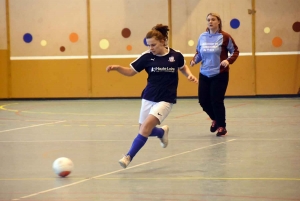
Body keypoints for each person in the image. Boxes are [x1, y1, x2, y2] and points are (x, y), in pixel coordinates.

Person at [106, 24, 198, 168]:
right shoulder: (147, 57)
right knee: (143, 130)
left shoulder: (175, 55)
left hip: (166, 99)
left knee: (145, 129)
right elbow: (131, 72)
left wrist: (189, 75)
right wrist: (117, 68)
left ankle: (128, 156)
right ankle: (161, 131)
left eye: (153, 45)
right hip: (149, 96)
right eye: (149, 45)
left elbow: (182, 66)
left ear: (163, 42)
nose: (151, 48)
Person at [190, 13, 239, 137]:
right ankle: (215, 119)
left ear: (218, 22)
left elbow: (235, 51)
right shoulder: (202, 36)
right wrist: (194, 60)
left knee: (216, 100)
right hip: (204, 73)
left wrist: (228, 60)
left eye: (213, 20)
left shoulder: (225, 37)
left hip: (219, 73)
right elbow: (199, 52)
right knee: (203, 101)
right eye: (208, 20)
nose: (210, 22)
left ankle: (222, 126)